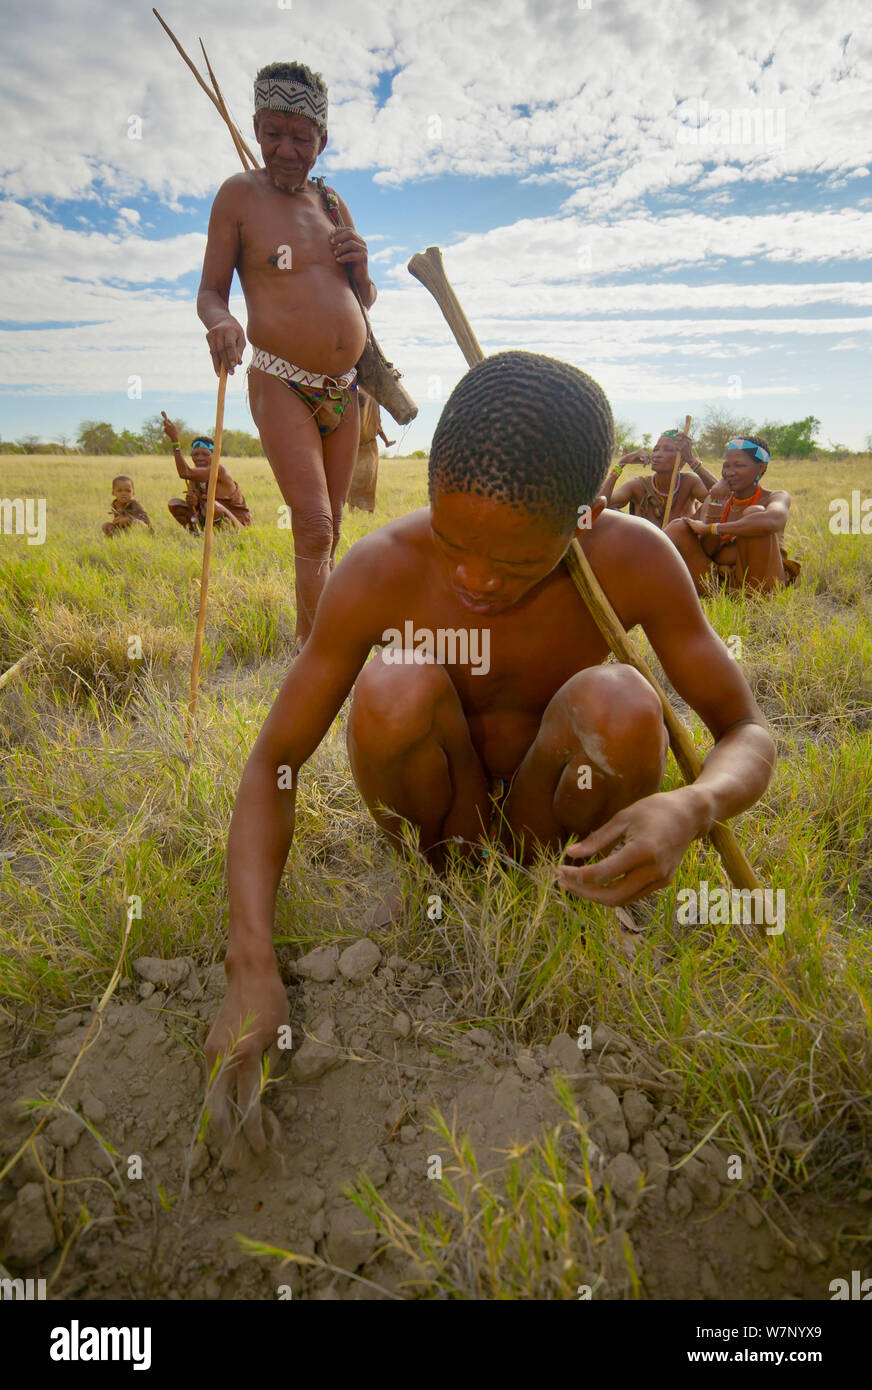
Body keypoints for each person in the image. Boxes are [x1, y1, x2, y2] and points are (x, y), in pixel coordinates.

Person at [203, 351, 776, 1149]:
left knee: (619, 701)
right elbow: (275, 761)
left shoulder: (635, 558)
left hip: (563, 832)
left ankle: (576, 888)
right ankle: (449, 881)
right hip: (444, 829)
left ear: (587, 518)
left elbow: (747, 732)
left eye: (512, 561)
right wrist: (250, 963)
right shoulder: (381, 571)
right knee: (393, 686)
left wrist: (693, 803)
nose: (473, 578)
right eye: (450, 537)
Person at [196, 61, 374, 644]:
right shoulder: (238, 196)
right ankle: (322, 657)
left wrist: (362, 266)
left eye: (302, 137)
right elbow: (210, 293)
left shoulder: (331, 201)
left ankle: (316, 645)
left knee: (335, 524)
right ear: (254, 126)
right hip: (280, 378)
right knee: (315, 522)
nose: (287, 148)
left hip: (345, 388)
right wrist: (221, 323)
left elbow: (362, 299)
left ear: (323, 140)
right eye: (273, 132)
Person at [666, 435, 800, 593]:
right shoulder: (719, 499)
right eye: (726, 466)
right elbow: (708, 550)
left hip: (761, 586)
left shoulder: (775, 497)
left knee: (754, 514)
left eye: (739, 465)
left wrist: (713, 528)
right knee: (679, 527)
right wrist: (716, 503)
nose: (730, 472)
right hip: (722, 584)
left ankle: (754, 606)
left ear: (761, 467)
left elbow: (771, 521)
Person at [602, 430, 717, 528]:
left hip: (681, 552)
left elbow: (722, 497)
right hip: (645, 550)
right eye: (656, 449)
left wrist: (691, 460)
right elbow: (598, 507)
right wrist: (622, 463)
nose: (657, 454)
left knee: (712, 502)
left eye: (667, 450)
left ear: (682, 460)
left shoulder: (690, 483)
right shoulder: (638, 486)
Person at [162, 414, 252, 532]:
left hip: (238, 525)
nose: (199, 458)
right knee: (175, 505)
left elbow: (184, 472)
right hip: (210, 519)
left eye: (205, 454)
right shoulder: (194, 476)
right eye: (196, 454)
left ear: (215, 456)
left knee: (211, 506)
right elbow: (198, 505)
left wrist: (175, 441)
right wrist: (194, 503)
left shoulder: (218, 470)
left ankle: (223, 538)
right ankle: (196, 534)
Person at [346, 389, 395, 512]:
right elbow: (378, 425)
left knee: (366, 479)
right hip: (357, 446)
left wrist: (386, 441)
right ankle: (359, 510)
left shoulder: (369, 401)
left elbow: (377, 425)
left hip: (363, 446)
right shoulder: (355, 399)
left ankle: (367, 510)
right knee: (360, 479)